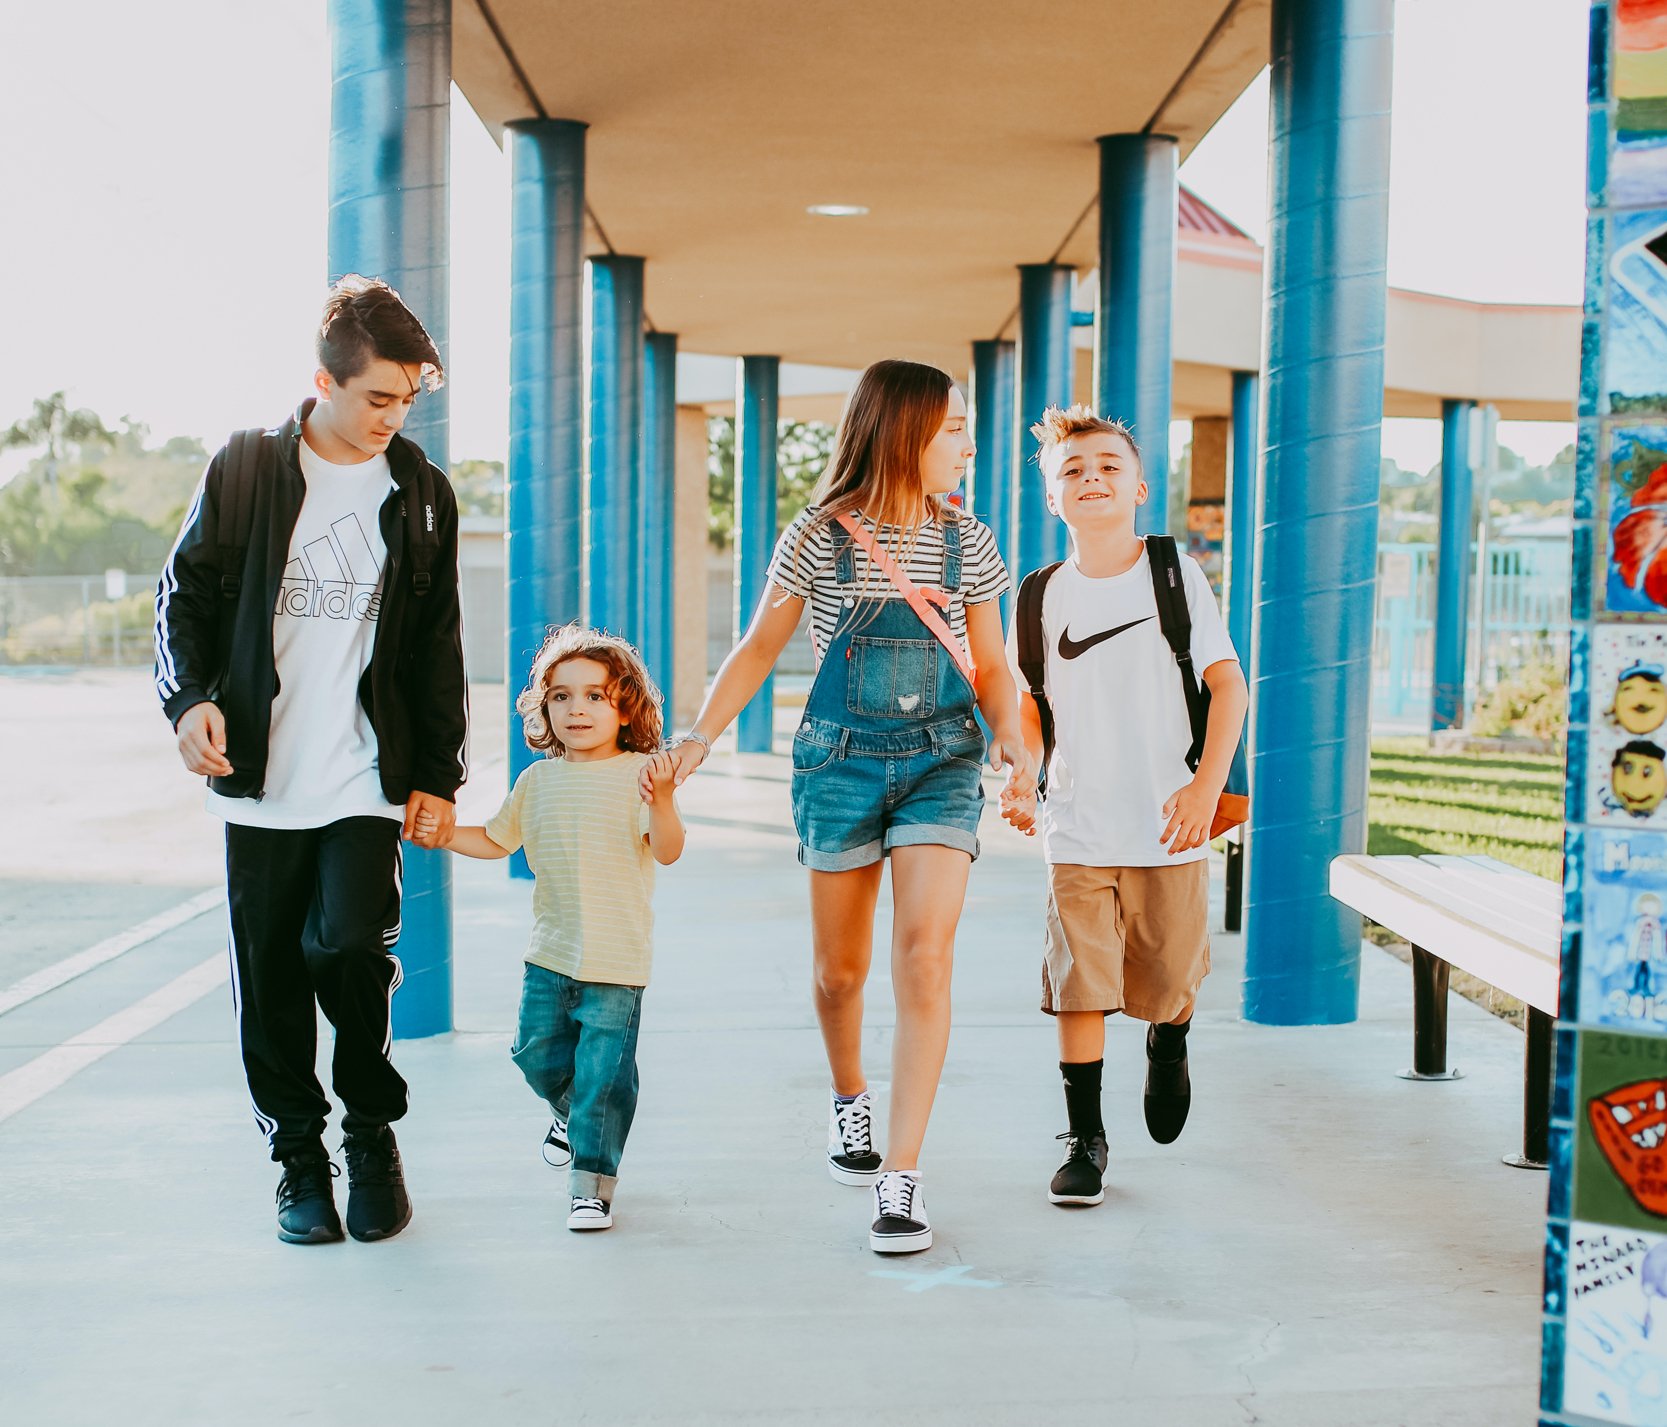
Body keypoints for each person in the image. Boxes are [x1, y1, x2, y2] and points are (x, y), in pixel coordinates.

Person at [660, 358, 1031, 1254]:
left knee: (925, 957)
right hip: (839, 762)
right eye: (951, 429)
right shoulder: (817, 538)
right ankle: (848, 1100)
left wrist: (1017, 748)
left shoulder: (969, 542)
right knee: (838, 973)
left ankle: (900, 1181)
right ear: (902, 432)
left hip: (943, 760)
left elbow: (991, 667)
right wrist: (696, 741)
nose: (968, 445)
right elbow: (754, 650)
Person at [153, 275, 466, 1244]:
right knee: (273, 983)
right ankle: (298, 1158)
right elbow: (184, 597)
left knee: (347, 948)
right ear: (321, 381)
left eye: (409, 397)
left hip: (362, 776)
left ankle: (370, 1130)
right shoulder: (245, 468)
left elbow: (435, 645)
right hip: (258, 782)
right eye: (378, 395)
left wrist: (439, 776)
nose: (393, 415)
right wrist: (189, 699)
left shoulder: (418, 492)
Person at [1000, 404, 1247, 1208]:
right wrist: (1019, 771)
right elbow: (1032, 704)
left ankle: (1168, 1040)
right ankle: (1084, 1136)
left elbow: (1226, 685)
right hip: (1076, 825)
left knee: (1168, 975)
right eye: (1071, 470)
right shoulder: (1038, 594)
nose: (1091, 477)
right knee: (1079, 983)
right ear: (1051, 498)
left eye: (1108, 465)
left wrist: (1206, 785)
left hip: (1167, 819)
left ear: (1139, 486)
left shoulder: (1174, 572)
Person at [419, 626, 683, 1231]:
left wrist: (664, 799)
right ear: (544, 707)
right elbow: (494, 838)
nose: (577, 709)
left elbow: (666, 850)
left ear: (625, 709)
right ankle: (573, 1114)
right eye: (561, 696)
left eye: (595, 696)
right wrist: (442, 835)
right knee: (534, 1054)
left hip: (618, 959)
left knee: (602, 1077)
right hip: (551, 952)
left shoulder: (642, 773)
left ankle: (590, 1185)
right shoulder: (537, 780)